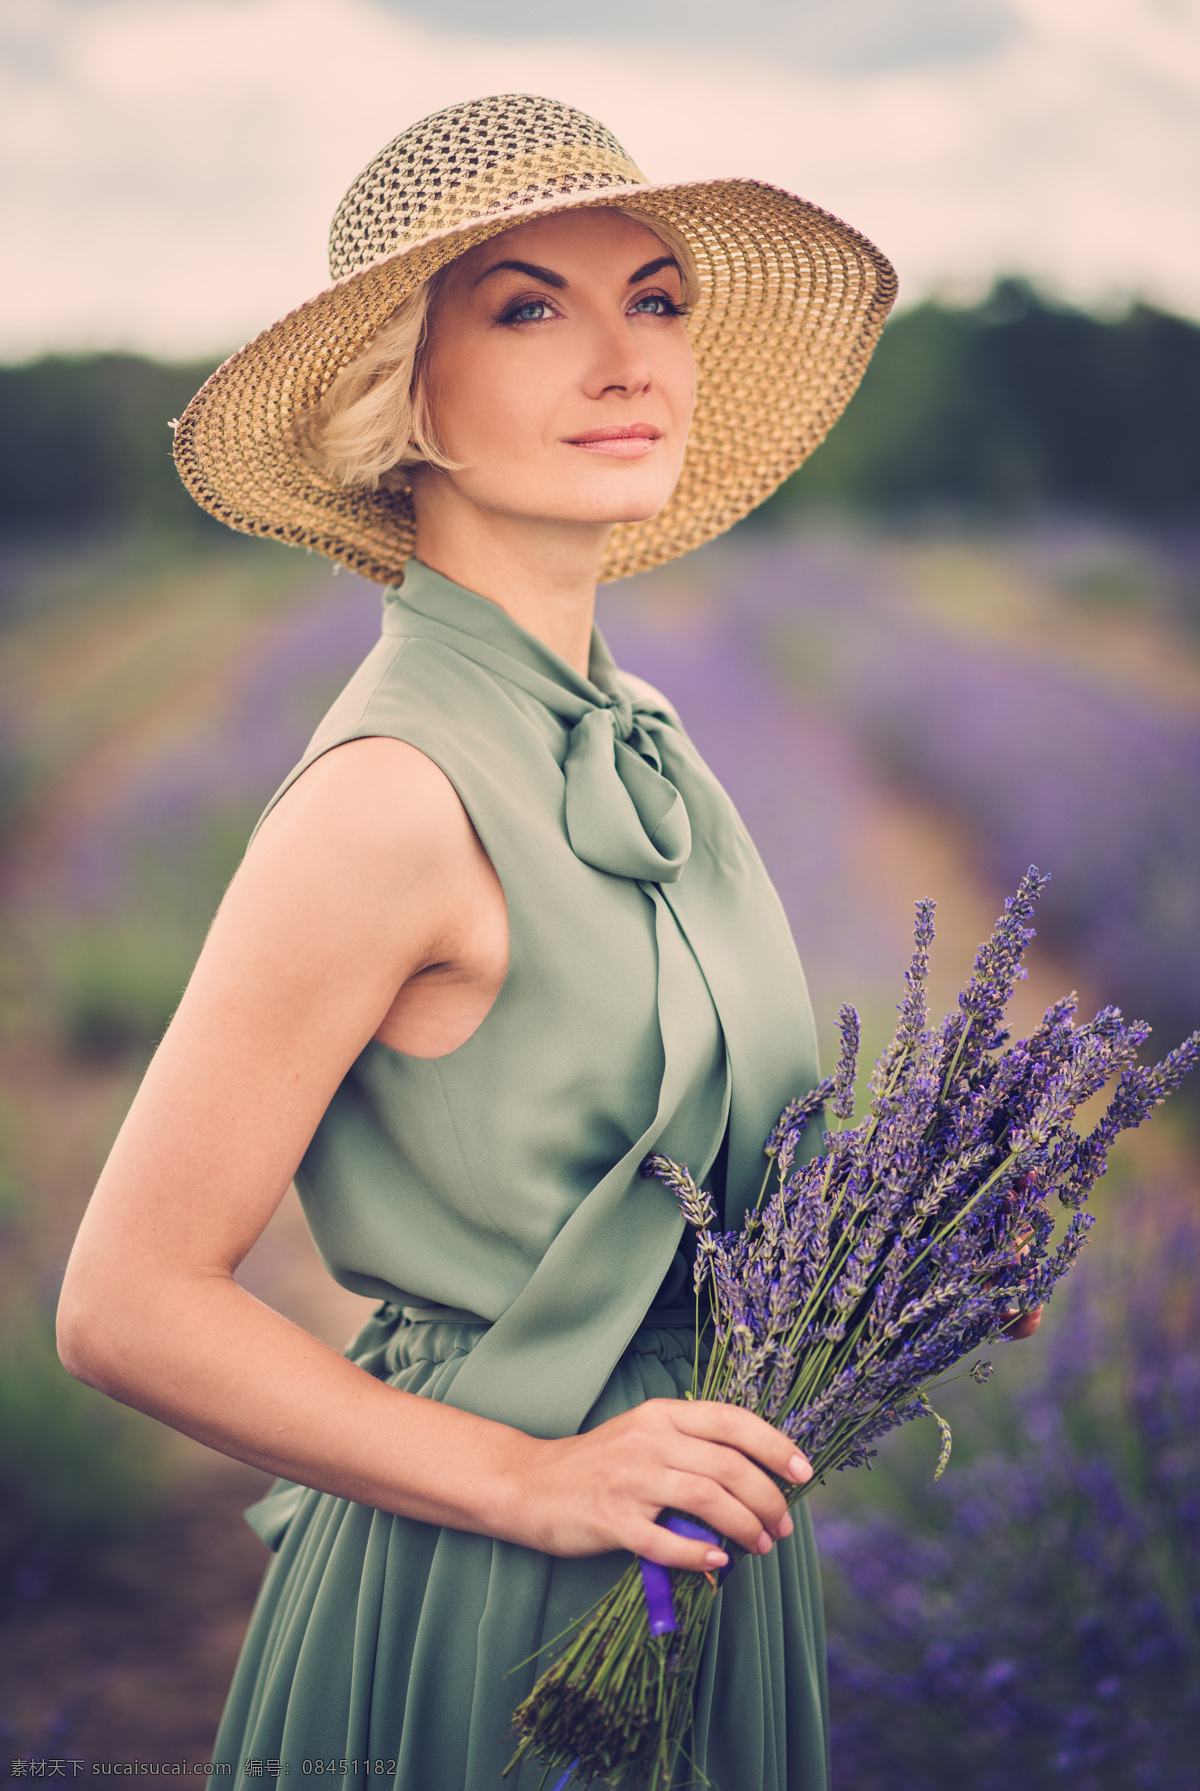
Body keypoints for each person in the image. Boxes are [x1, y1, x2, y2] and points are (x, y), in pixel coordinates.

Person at [55, 94, 913, 1790]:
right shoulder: (392, 794)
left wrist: (907, 1273)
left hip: (696, 1554)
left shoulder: (644, 729)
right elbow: (125, 1302)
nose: (626, 358)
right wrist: (535, 1482)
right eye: (530, 307)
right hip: (488, 1582)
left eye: (656, 300)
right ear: (405, 393)